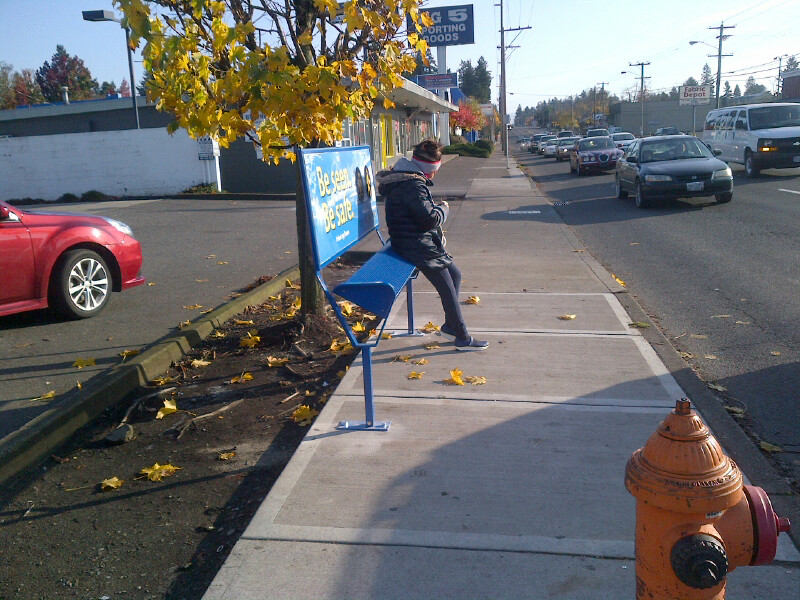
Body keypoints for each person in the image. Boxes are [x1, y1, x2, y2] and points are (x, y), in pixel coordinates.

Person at [376, 139, 488, 351]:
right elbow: (428, 220)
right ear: (428, 168)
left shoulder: (406, 180)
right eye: (435, 169)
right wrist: (444, 210)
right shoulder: (413, 185)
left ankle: (449, 327)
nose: (435, 174)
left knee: (455, 275)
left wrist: (435, 209)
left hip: (412, 240)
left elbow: (420, 213)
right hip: (415, 245)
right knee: (446, 286)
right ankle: (462, 337)